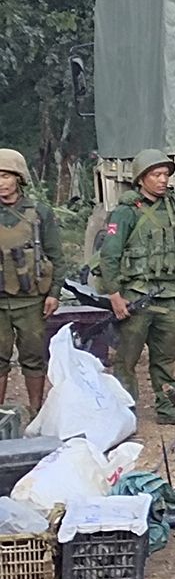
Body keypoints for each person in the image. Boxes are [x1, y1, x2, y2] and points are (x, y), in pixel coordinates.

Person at [98, 149, 175, 424]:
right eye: (156, 174)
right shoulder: (126, 211)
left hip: (168, 297)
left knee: (165, 360)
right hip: (136, 296)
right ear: (141, 178)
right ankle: (124, 410)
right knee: (126, 360)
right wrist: (115, 295)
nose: (162, 180)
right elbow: (110, 254)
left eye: (165, 174)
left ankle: (167, 408)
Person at [0, 148, 61, 412]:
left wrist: (54, 293)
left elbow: (56, 255)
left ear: (18, 178)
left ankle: (36, 411)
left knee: (34, 358)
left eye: (5, 176)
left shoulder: (39, 213)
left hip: (31, 300)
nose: (1, 182)